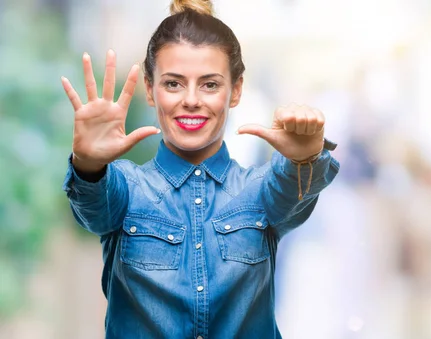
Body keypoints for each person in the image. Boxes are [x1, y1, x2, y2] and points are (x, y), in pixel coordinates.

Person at [60, 1, 339, 338]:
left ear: (235, 91)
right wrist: (88, 163)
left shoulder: (260, 193)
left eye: (210, 84)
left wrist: (304, 158)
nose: (191, 100)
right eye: (173, 84)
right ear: (150, 89)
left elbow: (291, 189)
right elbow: (95, 207)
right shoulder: (126, 188)